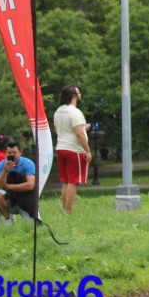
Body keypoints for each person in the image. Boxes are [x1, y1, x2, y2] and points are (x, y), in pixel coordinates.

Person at [53, 85, 92, 215]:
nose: (80, 95)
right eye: (78, 93)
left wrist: (82, 128)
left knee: (65, 180)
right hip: (74, 150)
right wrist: (87, 151)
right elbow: (79, 134)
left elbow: (57, 130)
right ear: (74, 96)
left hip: (61, 148)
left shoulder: (58, 111)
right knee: (73, 181)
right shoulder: (75, 112)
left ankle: (64, 209)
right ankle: (68, 211)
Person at [0, 140, 38, 224]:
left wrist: (8, 186)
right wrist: (5, 171)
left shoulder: (28, 163)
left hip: (25, 199)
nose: (12, 155)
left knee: (30, 224)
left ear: (20, 152)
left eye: (14, 153)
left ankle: (28, 215)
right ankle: (8, 219)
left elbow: (30, 185)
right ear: (5, 153)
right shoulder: (0, 166)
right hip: (9, 198)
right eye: (9, 153)